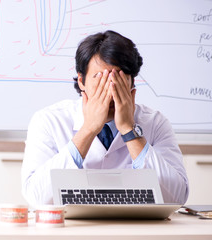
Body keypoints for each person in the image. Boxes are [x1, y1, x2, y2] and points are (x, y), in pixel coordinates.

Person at [21, 30, 189, 207]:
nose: (110, 90)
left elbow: (176, 198)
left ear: (132, 83)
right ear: (81, 81)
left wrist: (128, 129)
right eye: (100, 78)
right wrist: (88, 130)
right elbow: (37, 197)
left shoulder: (155, 122)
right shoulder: (49, 120)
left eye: (117, 79)